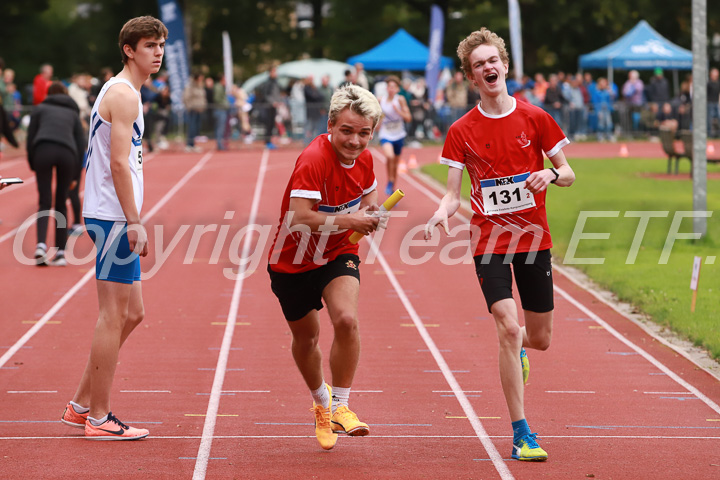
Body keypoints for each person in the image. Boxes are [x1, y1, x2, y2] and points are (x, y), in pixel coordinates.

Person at [424, 28, 575, 462]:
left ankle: (522, 348)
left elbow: (568, 173)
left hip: (534, 238)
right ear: (471, 78)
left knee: (539, 338)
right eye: (479, 65)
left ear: (505, 66)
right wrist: (441, 211)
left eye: (493, 61)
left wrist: (550, 174)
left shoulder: (536, 118)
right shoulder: (461, 130)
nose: (488, 68)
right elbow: (453, 193)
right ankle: (521, 433)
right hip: (489, 240)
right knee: (507, 327)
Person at [60, 15, 167, 440]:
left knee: (133, 313)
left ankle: (80, 405)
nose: (158, 53)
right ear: (129, 49)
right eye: (149, 46)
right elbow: (119, 163)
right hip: (113, 217)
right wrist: (134, 221)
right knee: (112, 315)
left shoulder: (122, 90)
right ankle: (99, 418)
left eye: (160, 45)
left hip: (110, 214)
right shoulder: (123, 95)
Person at [267, 85, 387, 451]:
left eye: (364, 133)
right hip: (293, 262)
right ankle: (321, 401)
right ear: (331, 124)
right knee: (307, 339)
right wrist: (352, 221)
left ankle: (340, 405)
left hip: (337, 253)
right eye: (347, 131)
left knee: (347, 320)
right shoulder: (313, 158)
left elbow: (369, 200)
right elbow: (299, 218)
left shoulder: (366, 159)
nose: (355, 141)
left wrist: (372, 215)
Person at [26, 82, 86, 266]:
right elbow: (80, 145)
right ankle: (60, 252)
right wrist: (75, 176)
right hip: (67, 153)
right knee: (61, 201)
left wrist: (33, 164)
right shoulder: (73, 114)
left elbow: (30, 138)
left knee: (44, 200)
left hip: (43, 150)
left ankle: (41, 245)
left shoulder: (39, 109)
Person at [377, 75, 411, 195]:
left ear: (397, 89)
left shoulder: (400, 99)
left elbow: (408, 118)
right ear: (387, 88)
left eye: (394, 87)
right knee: (389, 156)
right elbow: (379, 116)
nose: (391, 89)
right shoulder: (381, 100)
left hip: (398, 135)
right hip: (385, 134)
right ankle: (390, 180)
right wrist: (377, 125)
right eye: (389, 86)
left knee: (395, 164)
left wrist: (398, 111)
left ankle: (391, 188)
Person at [183, 72, 206, 152]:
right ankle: (189, 144)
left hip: (199, 110)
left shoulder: (200, 86)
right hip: (193, 110)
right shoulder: (190, 86)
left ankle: (193, 144)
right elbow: (186, 97)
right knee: (191, 128)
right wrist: (190, 106)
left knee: (196, 128)